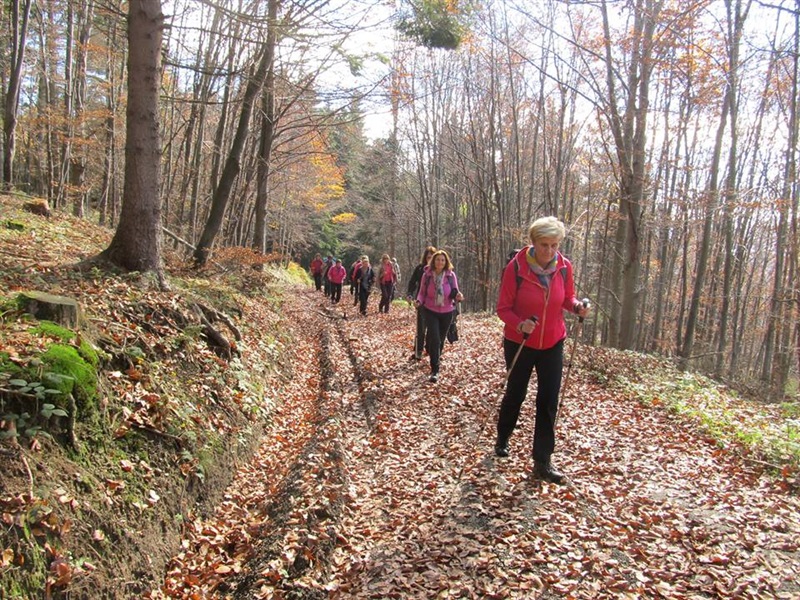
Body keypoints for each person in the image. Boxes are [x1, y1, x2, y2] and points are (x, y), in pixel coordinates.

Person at [494, 216, 590, 484]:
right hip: (520, 341)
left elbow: (567, 298)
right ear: (533, 243)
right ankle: (503, 437)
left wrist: (577, 307)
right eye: (545, 245)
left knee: (548, 399)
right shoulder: (516, 268)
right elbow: (503, 308)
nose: (550, 251)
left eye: (554, 245)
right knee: (516, 392)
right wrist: (519, 323)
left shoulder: (564, 267)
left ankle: (543, 460)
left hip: (553, 341)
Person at [416, 249, 463, 383]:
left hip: (447, 311)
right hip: (430, 310)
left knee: (441, 340)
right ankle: (435, 370)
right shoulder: (427, 275)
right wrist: (418, 301)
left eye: (442, 260)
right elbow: (422, 293)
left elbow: (455, 291)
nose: (440, 262)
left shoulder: (450, 275)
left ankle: (435, 356)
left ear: (446, 262)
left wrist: (459, 296)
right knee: (435, 339)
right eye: (437, 259)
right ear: (433, 261)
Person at [407, 246, 436, 360]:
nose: (430, 259)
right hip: (421, 301)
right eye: (428, 257)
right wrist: (410, 293)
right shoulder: (420, 269)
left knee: (432, 327)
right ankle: (418, 350)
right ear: (425, 257)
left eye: (432, 257)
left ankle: (429, 348)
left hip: (435, 303)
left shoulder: (439, 269)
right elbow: (412, 282)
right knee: (421, 327)